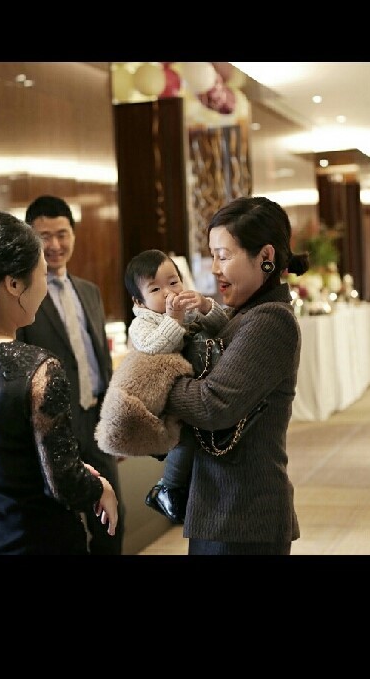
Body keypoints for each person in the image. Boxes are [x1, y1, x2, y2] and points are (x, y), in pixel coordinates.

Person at [0, 210, 118, 555]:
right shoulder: (38, 369)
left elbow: (8, 459)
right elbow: (64, 485)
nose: (44, 288)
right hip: (35, 542)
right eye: (42, 274)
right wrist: (99, 486)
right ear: (14, 284)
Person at [150, 196, 309, 555]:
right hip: (225, 508)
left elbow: (213, 404)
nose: (214, 269)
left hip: (244, 515)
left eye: (223, 256)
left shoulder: (270, 319)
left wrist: (154, 378)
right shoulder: (243, 313)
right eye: (212, 256)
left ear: (265, 256)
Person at [15, 195, 124, 555]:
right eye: (44, 236)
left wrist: (113, 419)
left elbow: (99, 359)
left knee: (112, 522)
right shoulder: (22, 296)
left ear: (74, 235)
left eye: (62, 234)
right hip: (55, 428)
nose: (54, 245)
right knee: (64, 529)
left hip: (96, 422)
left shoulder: (89, 291)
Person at [120, 248, 229, 525]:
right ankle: (167, 488)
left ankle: (178, 488)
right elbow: (157, 347)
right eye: (156, 289)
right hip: (163, 399)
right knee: (184, 440)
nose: (169, 293)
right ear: (139, 301)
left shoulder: (189, 310)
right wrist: (174, 320)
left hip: (192, 392)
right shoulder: (141, 324)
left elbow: (224, 327)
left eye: (173, 282)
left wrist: (205, 305)